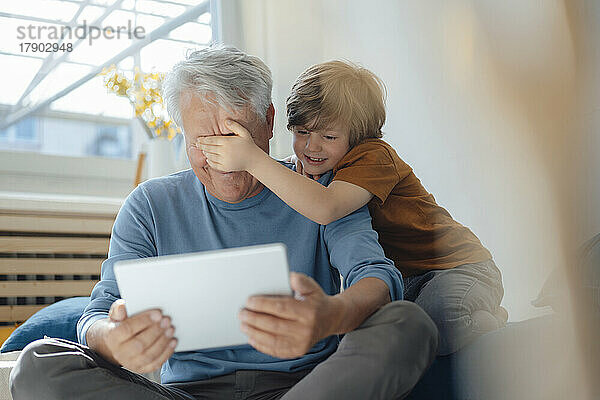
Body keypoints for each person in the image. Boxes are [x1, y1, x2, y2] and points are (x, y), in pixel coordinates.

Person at [9, 47, 438, 400]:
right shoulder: (150, 205)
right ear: (182, 136)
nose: (223, 163)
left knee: (409, 323)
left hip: (303, 389)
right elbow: (97, 314)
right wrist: (111, 337)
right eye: (203, 143)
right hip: (186, 396)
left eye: (235, 140)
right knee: (38, 363)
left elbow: (376, 274)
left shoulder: (319, 190)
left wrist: (331, 314)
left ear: (268, 123)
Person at [197, 60, 507, 355]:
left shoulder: (374, 157)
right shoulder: (319, 165)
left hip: (457, 267)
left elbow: (326, 207)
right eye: (302, 132)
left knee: (437, 326)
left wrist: (252, 158)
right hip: (405, 280)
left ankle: (492, 322)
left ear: (358, 137)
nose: (311, 147)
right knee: (394, 341)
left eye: (328, 136)